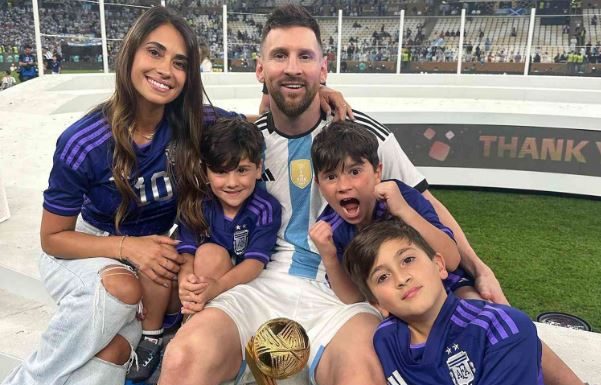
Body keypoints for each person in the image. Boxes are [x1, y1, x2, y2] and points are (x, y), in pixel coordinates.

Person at [158, 5, 502, 385]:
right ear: (260, 69)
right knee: (182, 360)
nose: (292, 67)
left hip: (342, 293)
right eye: (279, 56)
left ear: (323, 69)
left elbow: (429, 204)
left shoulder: (360, 134)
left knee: (361, 377)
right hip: (257, 281)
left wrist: (478, 268)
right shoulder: (248, 141)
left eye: (305, 56)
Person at [1, 7, 227, 385]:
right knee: (121, 290)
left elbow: (251, 127)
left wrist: (318, 95)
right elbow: (52, 238)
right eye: (154, 52)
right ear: (131, 53)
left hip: (148, 252)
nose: (165, 70)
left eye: (179, 62)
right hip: (84, 247)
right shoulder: (85, 141)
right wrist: (127, 248)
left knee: (117, 352)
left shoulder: (191, 123)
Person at [343, 221, 544, 385]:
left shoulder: (501, 326)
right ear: (378, 305)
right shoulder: (385, 340)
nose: (401, 278)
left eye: (408, 260)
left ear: (439, 265)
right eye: (383, 277)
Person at [308, 121, 479, 305]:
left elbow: (451, 260)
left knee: (478, 308)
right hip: (395, 308)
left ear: (377, 172)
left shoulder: (402, 197)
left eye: (354, 171)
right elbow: (354, 298)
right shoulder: (330, 228)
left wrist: (404, 211)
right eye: (331, 177)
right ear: (319, 184)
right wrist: (329, 257)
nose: (343, 186)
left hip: (445, 287)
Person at [177, 118, 281, 316]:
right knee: (208, 254)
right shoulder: (197, 203)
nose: (232, 183)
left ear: (258, 168)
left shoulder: (265, 208)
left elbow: (255, 263)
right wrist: (186, 281)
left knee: (210, 254)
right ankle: (190, 321)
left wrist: (216, 287)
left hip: (243, 285)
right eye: (221, 172)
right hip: (203, 281)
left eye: (242, 170)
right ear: (205, 171)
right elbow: (186, 252)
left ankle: (199, 323)